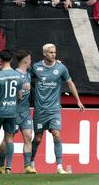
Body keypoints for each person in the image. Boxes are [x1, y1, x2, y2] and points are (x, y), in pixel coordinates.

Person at [30, 43, 85, 174]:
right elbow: (26, 79)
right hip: (40, 110)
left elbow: (70, 83)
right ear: (44, 53)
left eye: (54, 52)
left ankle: (59, 166)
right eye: (50, 52)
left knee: (57, 135)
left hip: (54, 109)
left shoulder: (61, 68)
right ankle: (31, 163)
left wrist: (78, 100)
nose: (53, 54)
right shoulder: (36, 67)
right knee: (37, 138)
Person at [0, 50, 36, 174]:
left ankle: (27, 166)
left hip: (25, 112)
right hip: (13, 112)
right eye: (30, 59)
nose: (31, 61)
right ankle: (1, 163)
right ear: (26, 60)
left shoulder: (29, 73)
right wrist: (22, 87)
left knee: (28, 137)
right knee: (8, 139)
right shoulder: (13, 74)